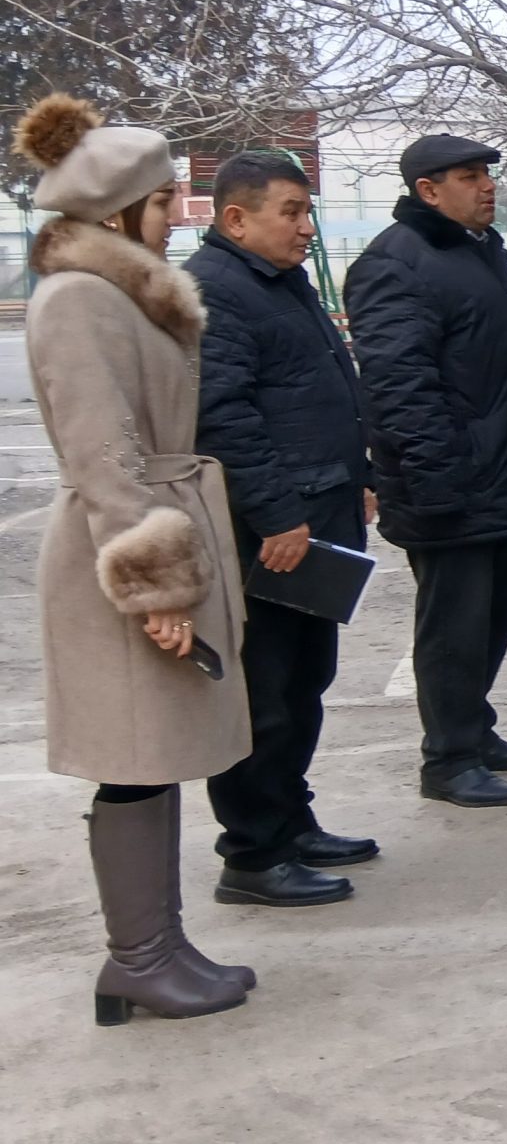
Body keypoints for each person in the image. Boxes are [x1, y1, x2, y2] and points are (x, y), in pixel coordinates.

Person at [16, 94, 254, 1022]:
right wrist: (158, 586)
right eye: (160, 201)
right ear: (116, 209)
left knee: (153, 752)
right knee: (134, 752)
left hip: (154, 525)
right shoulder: (79, 300)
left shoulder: (114, 292)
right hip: (123, 545)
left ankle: (159, 944)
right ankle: (139, 956)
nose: (174, 215)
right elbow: (102, 453)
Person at [345, 134, 507, 810]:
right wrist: (436, 481)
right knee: (454, 627)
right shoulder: (395, 263)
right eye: (469, 176)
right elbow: (399, 386)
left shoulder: (479, 251)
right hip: (451, 483)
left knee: (495, 615)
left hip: (502, 475)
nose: (487, 185)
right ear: (428, 190)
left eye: (486, 174)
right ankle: (448, 759)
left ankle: (475, 730)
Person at [185, 151, 377, 909]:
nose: (306, 227)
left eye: (308, 211)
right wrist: (277, 513)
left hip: (318, 512)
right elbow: (223, 415)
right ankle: (254, 852)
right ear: (236, 218)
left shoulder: (276, 281)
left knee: (304, 682)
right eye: (291, 211)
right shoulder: (217, 290)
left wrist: (357, 474)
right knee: (263, 692)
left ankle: (293, 821)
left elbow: (315, 391)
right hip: (272, 532)